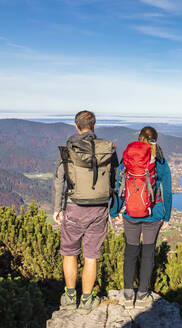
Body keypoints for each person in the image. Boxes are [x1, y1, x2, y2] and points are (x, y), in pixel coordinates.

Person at [53, 110, 118, 314]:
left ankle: (71, 297)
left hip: (74, 206)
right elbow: (114, 178)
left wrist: (57, 209)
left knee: (69, 253)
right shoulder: (107, 149)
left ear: (76, 126)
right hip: (99, 207)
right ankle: (87, 300)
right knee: (91, 256)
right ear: (94, 125)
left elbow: (58, 180)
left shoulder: (67, 149)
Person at [110, 126, 172, 309]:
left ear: (138, 138)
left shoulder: (128, 158)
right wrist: (167, 215)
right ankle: (143, 294)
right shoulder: (159, 160)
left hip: (131, 213)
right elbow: (167, 191)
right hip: (154, 213)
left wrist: (115, 212)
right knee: (147, 253)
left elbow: (119, 186)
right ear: (156, 140)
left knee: (130, 252)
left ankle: (128, 295)